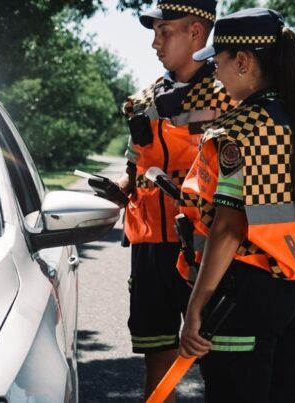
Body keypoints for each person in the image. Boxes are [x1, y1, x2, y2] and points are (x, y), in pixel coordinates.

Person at [177, 8, 295, 403]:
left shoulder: (237, 130)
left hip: (245, 295)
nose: (213, 72)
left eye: (216, 61)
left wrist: (196, 306)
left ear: (242, 61)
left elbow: (228, 228)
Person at [116, 1, 235, 400]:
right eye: (155, 33)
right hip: (151, 249)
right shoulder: (144, 100)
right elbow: (133, 168)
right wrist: (120, 187)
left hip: (205, 249)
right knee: (157, 359)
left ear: (197, 32)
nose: (155, 43)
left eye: (165, 32)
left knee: (220, 362)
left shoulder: (229, 99)